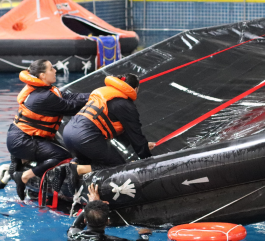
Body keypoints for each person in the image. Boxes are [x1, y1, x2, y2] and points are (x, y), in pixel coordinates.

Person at [54, 74, 155, 194]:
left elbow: (125, 136)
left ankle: (71, 165)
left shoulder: (103, 94)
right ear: (136, 89)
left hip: (69, 132)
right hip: (85, 137)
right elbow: (136, 135)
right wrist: (150, 161)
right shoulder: (126, 105)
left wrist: (143, 145)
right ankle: (78, 169)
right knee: (119, 166)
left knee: (92, 159)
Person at [6, 59, 90, 200]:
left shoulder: (42, 89)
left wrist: (94, 95)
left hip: (19, 136)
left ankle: (20, 160)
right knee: (62, 155)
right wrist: (97, 100)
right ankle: (25, 176)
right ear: (42, 75)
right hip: (22, 141)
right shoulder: (44, 96)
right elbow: (70, 107)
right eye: (51, 69)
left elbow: (70, 97)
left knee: (61, 150)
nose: (55, 70)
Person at [67, 184, 150, 241]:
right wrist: (144, 235)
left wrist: (91, 204)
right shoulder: (114, 240)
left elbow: (75, 226)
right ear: (108, 221)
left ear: (85, 220)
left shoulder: (74, 236)